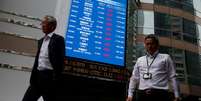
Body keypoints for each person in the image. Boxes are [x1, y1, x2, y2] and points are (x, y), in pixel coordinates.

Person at [22, 15, 65, 101]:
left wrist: (55, 78)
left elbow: (60, 61)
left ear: (51, 26)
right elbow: (38, 60)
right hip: (37, 78)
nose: (42, 25)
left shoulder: (58, 39)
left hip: (49, 78)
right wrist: (33, 77)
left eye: (44, 23)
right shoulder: (41, 40)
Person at [126, 34, 180, 101]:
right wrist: (130, 95)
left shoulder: (166, 58)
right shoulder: (140, 60)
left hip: (161, 95)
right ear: (145, 45)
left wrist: (177, 95)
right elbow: (134, 78)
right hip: (142, 95)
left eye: (152, 44)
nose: (150, 46)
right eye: (147, 44)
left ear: (157, 45)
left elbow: (172, 77)